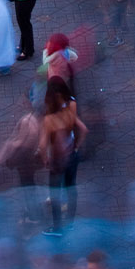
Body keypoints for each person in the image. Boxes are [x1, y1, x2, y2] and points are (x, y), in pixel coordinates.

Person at [41, 76, 87, 235]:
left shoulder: (50, 119)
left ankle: (57, 227)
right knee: (71, 188)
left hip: (57, 159)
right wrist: (76, 147)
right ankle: (70, 223)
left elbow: (43, 144)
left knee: (55, 193)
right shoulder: (72, 103)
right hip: (71, 154)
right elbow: (83, 129)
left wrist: (45, 157)